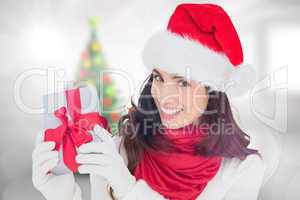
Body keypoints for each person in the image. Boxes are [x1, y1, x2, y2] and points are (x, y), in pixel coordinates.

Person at [32, 3, 266, 200]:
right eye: (158, 77)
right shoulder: (119, 150)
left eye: (183, 82)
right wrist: (62, 196)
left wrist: (129, 189)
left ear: (213, 91)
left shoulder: (242, 169)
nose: (164, 95)